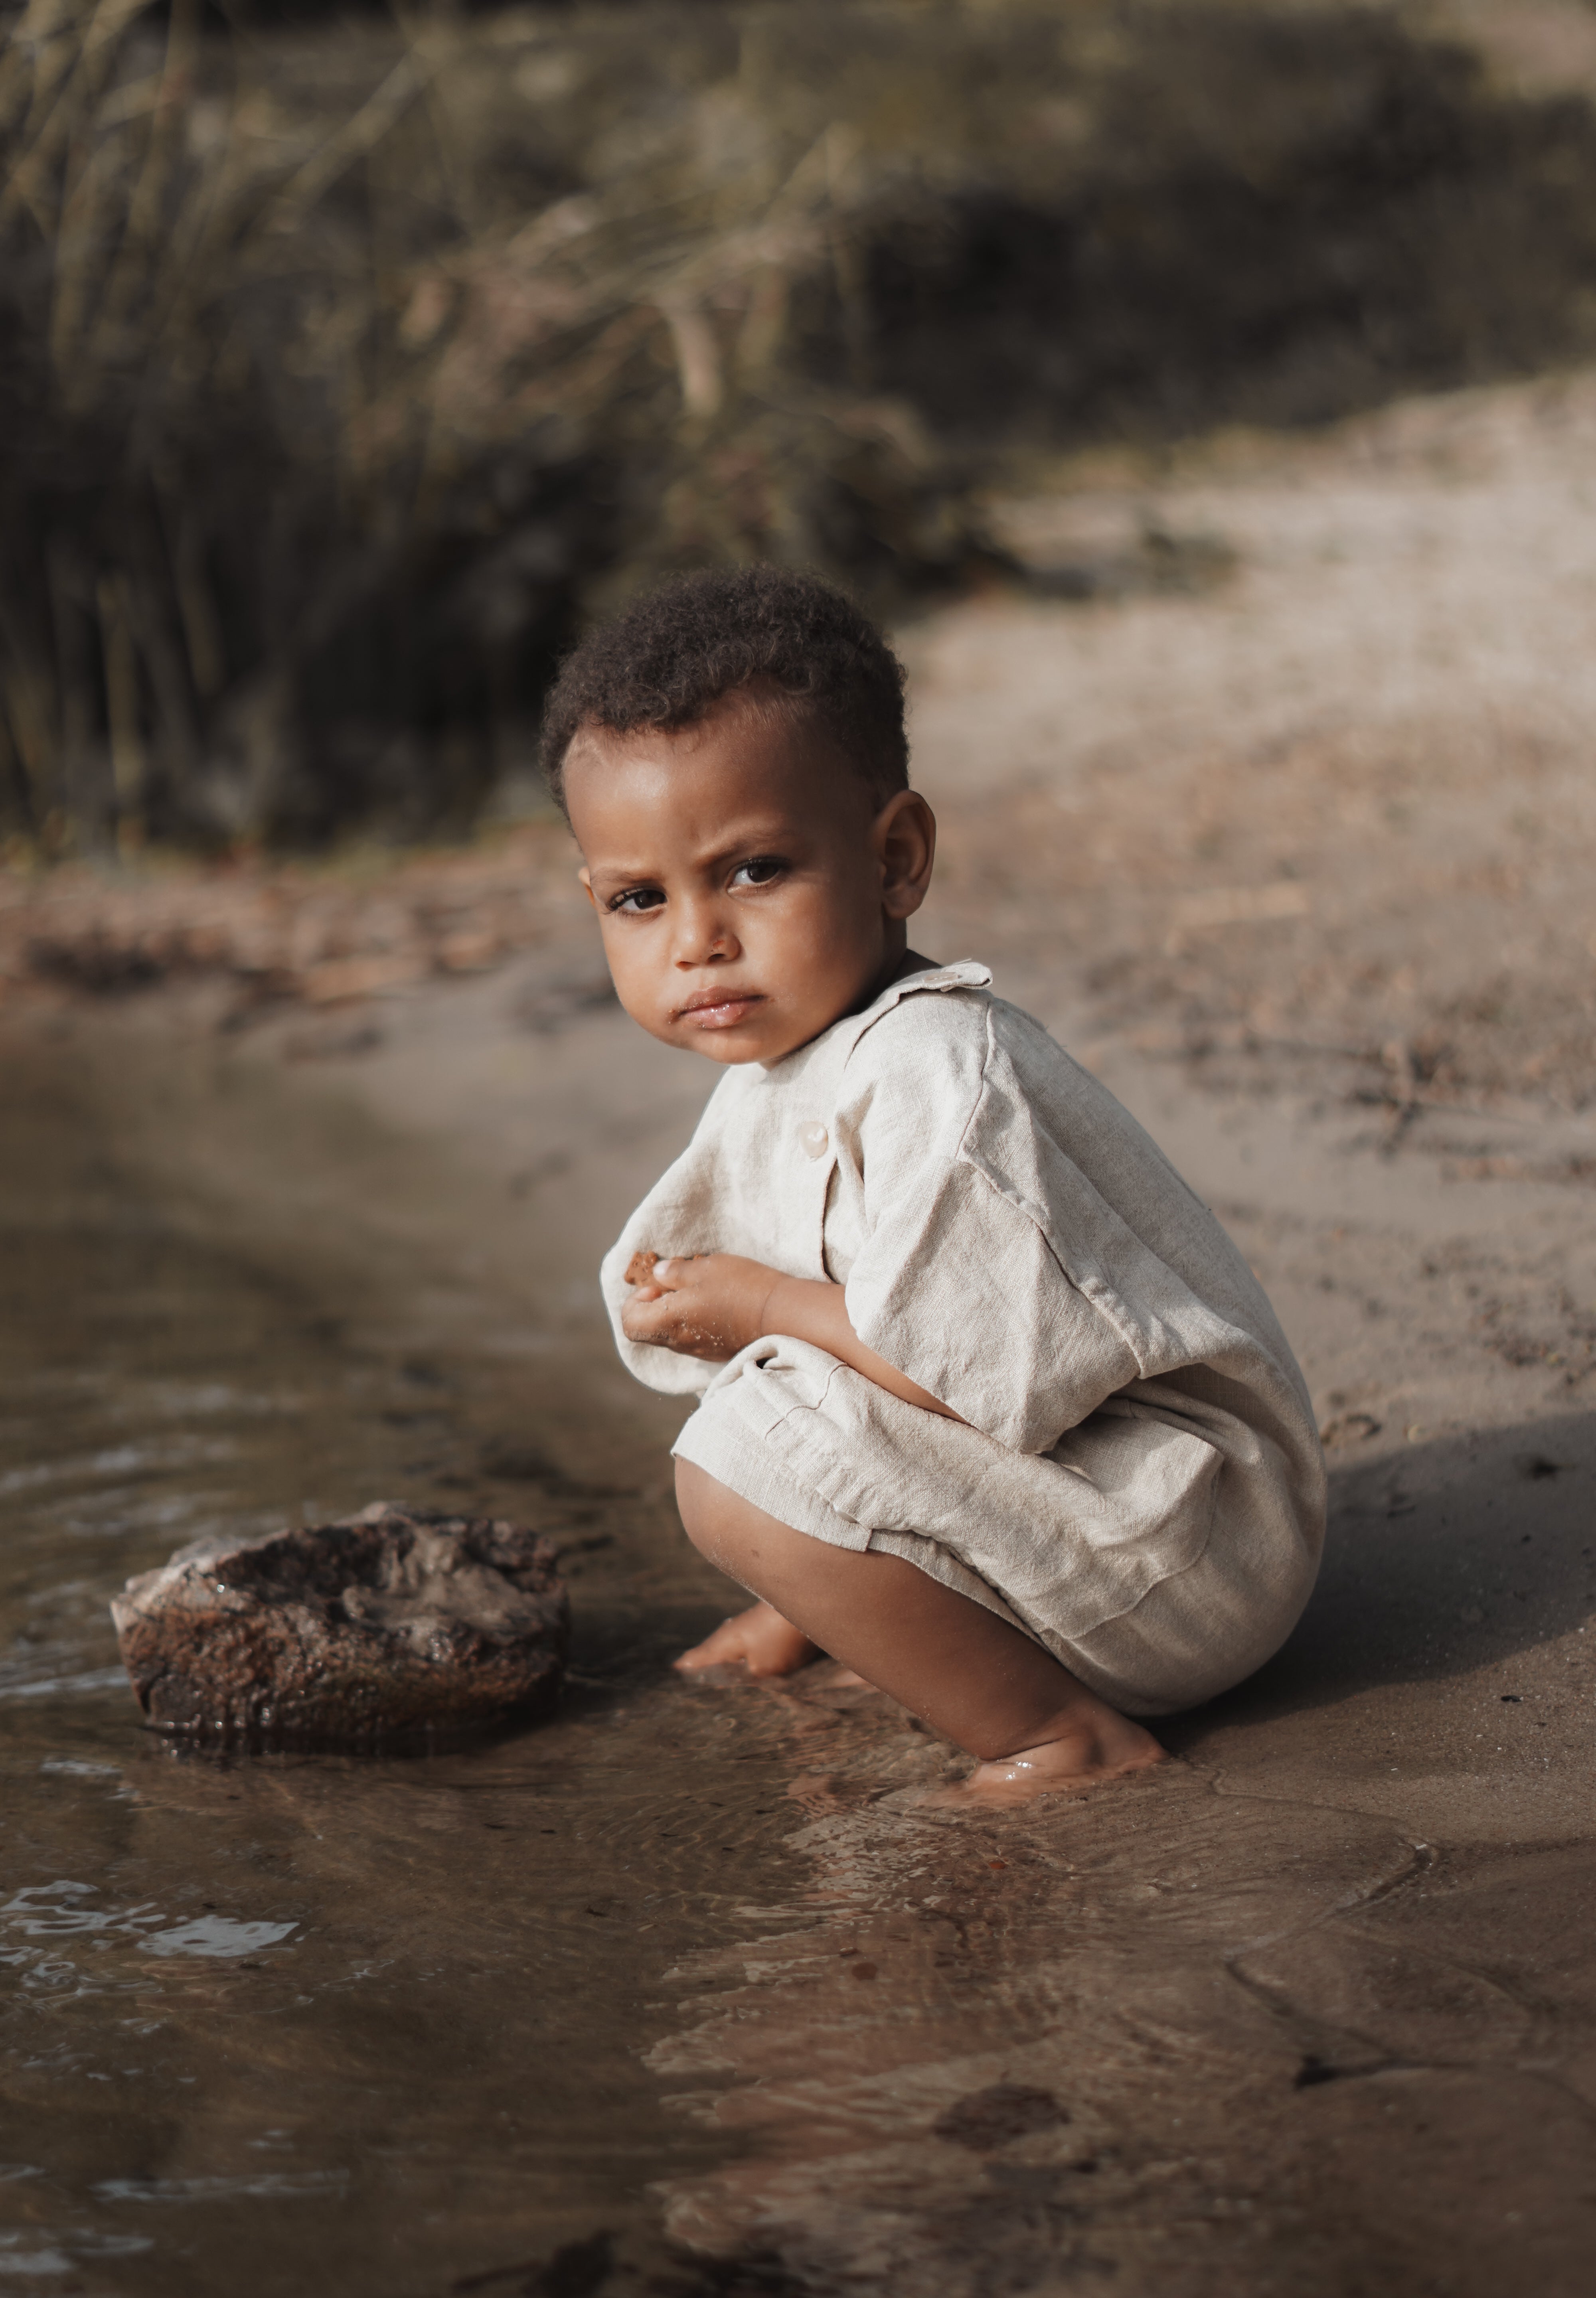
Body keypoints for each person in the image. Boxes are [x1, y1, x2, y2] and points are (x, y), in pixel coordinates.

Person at [540, 565, 1325, 1804]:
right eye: (642, 900)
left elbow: (957, 1369)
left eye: (753, 871)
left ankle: (1066, 1739)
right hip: (1087, 1517)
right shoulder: (786, 1055)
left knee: (734, 1450)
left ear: (895, 858)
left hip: (1188, 1550)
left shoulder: (937, 1070)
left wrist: (750, 1305)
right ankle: (833, 1604)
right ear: (597, 904)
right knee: (769, 1410)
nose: (696, 939)